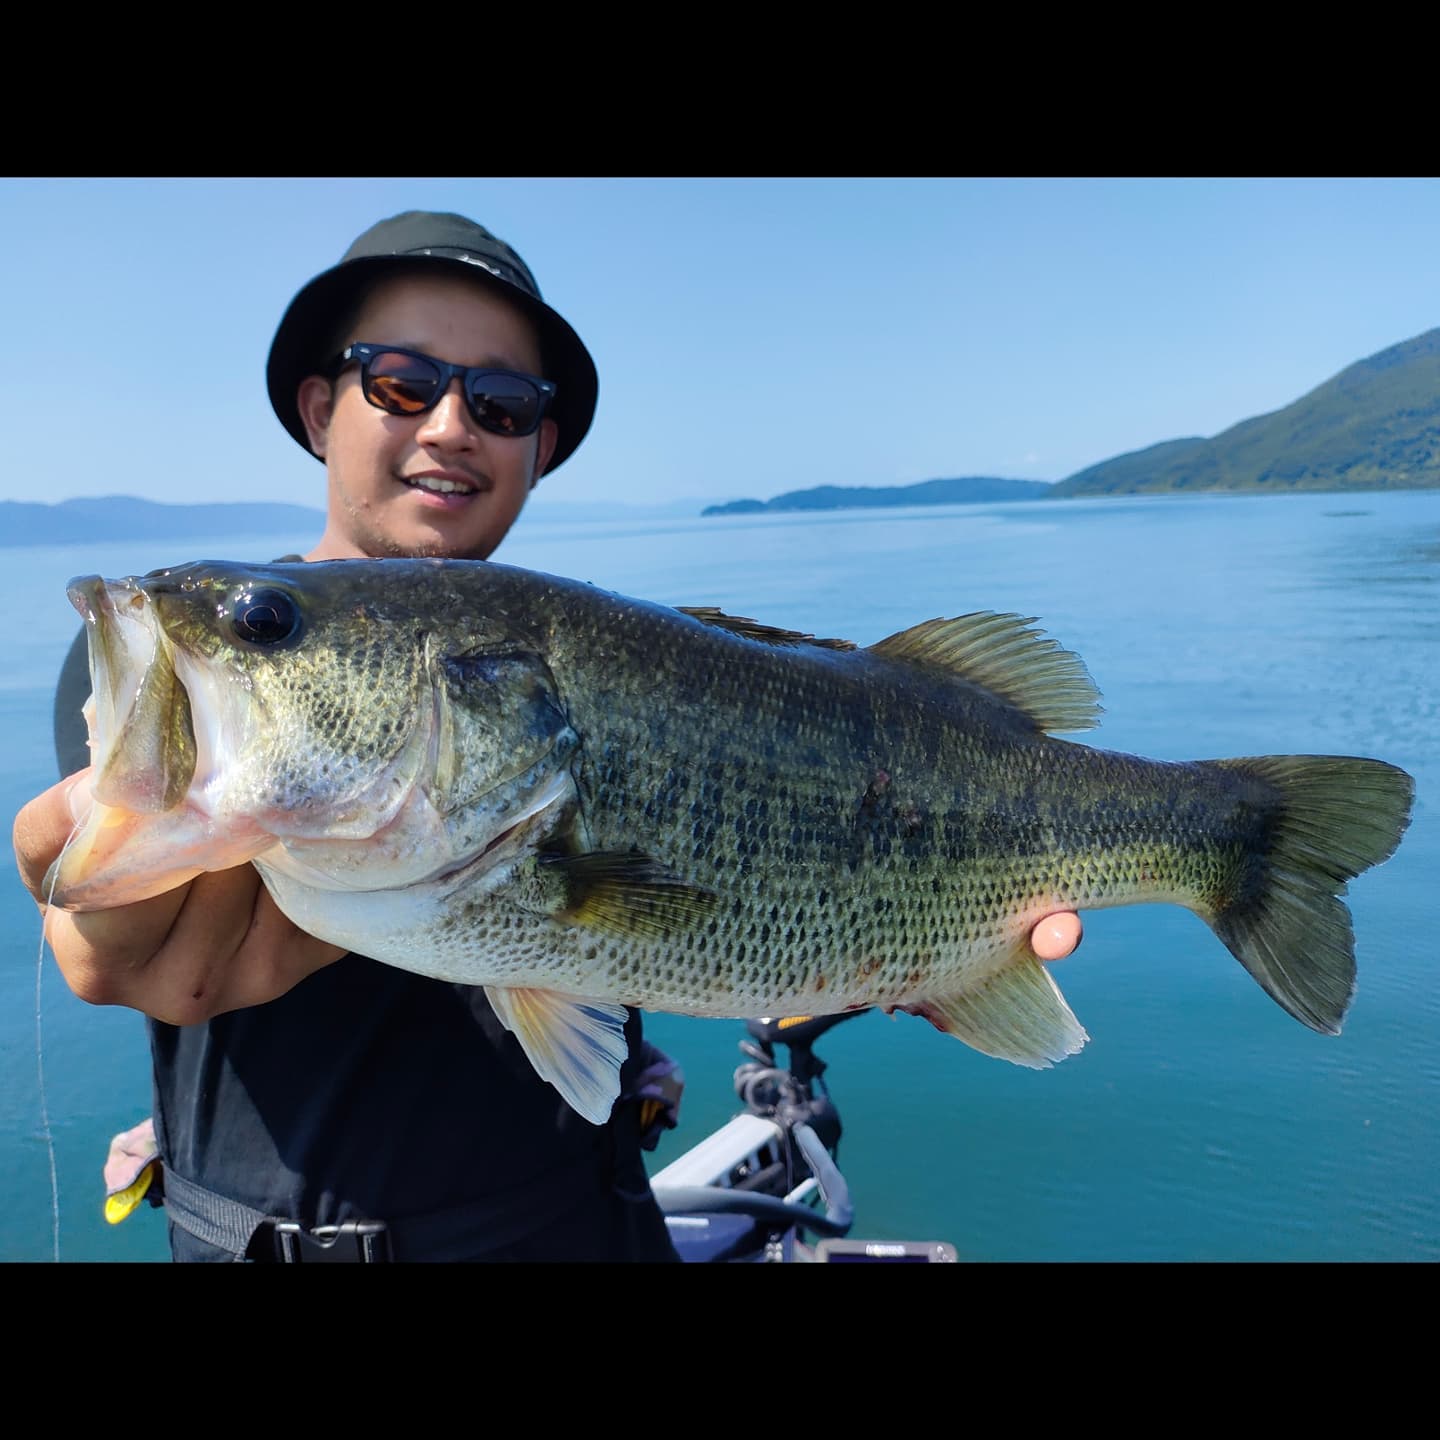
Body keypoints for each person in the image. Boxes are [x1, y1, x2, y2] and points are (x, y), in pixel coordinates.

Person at [12, 208, 1082, 1263]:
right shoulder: (178, 685)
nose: (449, 425)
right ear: (319, 408)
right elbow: (119, 924)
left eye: (503, 402)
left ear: (542, 445)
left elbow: (648, 931)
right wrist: (106, 928)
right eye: (400, 382)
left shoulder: (605, 657)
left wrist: (922, 950)